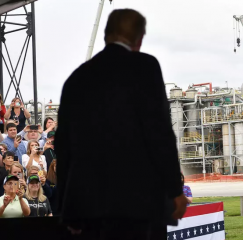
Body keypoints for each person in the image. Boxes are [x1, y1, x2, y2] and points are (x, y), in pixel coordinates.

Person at [55, 9, 187, 239]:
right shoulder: (144, 67)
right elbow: (158, 133)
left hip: (87, 207)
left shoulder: (76, 79)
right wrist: (175, 189)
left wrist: (68, 207)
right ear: (139, 39)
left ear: (106, 35)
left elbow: (63, 147)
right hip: (136, 204)